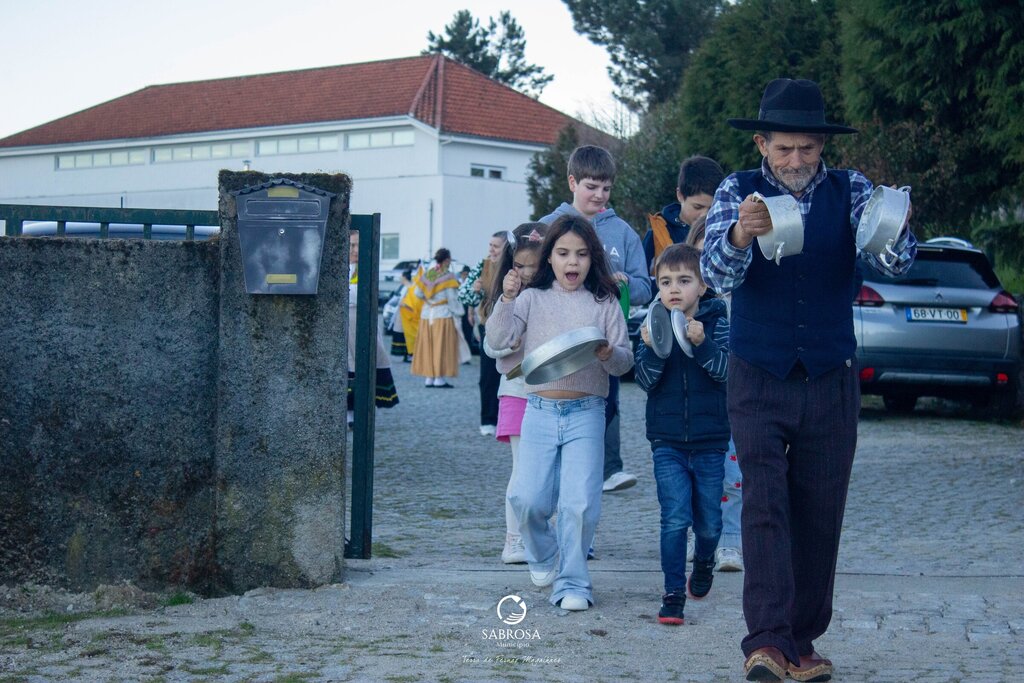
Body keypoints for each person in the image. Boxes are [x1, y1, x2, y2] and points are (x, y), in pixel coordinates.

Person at [701, 78, 916, 682]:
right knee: (764, 504)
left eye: (808, 148)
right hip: (757, 373)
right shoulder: (735, 191)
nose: (796, 160)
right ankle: (767, 641)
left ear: (823, 145)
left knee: (821, 511)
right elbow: (715, 276)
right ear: (762, 145)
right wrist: (741, 234)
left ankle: (802, 640)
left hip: (829, 374)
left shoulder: (853, 190)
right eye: (784, 148)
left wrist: (898, 227)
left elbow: (897, 261)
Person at [487, 215, 633, 611]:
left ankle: (573, 583)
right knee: (525, 497)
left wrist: (608, 353)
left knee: (579, 503)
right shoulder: (531, 298)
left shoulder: (603, 302)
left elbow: (624, 362)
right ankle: (544, 553)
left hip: (588, 411)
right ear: (549, 257)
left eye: (582, 254)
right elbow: (499, 339)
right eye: (564, 253)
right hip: (539, 410)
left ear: (592, 258)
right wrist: (506, 299)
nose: (573, 262)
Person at [539, 145, 652, 494]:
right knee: (555, 405)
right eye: (591, 186)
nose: (600, 195)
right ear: (572, 182)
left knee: (607, 404)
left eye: (606, 188)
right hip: (555, 338)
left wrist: (624, 283)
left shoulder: (623, 232)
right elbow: (533, 278)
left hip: (603, 340)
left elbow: (645, 287)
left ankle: (607, 469)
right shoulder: (547, 226)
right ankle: (554, 471)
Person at [635, 243, 729, 625]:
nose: (674, 288)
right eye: (665, 281)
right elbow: (644, 382)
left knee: (709, 523)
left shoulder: (718, 322)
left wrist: (702, 344)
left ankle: (704, 560)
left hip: (710, 441)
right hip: (667, 442)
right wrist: (653, 349)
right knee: (674, 518)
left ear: (703, 286)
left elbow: (727, 373)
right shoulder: (652, 326)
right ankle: (673, 592)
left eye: (684, 280)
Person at [481, 222, 548, 564]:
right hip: (516, 389)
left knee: (549, 471)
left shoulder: (555, 294)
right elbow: (491, 345)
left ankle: (544, 535)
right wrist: (508, 305)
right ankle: (514, 539)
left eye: (534, 266)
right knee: (522, 469)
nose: (527, 273)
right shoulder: (506, 297)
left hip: (552, 391)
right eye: (520, 265)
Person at [686, 219, 744, 573]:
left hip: (737, 398)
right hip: (698, 402)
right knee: (696, 474)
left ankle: (732, 541)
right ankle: (699, 534)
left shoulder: (744, 294)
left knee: (734, 476)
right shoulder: (684, 302)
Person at [347, 230, 399, 427]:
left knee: (365, 364)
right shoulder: (338, 268)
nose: (355, 250)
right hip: (344, 324)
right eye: (352, 245)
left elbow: (364, 293)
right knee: (346, 367)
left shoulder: (368, 268)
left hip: (362, 322)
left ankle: (362, 412)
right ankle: (348, 414)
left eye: (358, 245)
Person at [459, 232, 508, 435]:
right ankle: (488, 419)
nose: (491, 250)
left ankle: (509, 419)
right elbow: (464, 296)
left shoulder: (515, 266)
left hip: (514, 325)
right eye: (490, 245)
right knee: (488, 374)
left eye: (496, 246)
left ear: (507, 247)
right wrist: (475, 289)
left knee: (513, 374)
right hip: (488, 324)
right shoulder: (482, 265)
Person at [643, 156, 725, 274]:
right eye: (698, 207)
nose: (705, 215)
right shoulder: (656, 234)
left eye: (712, 208)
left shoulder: (726, 231)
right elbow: (642, 279)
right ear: (680, 195)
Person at [410, 248, 464, 388]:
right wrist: (459, 312)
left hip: (427, 315)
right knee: (441, 347)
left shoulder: (430, 273)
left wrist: (429, 300)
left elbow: (417, 293)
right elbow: (452, 298)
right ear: (446, 260)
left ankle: (429, 378)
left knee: (428, 346)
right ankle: (439, 379)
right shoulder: (449, 276)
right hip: (443, 315)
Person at [388, 269, 413, 362]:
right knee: (402, 334)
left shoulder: (409, 287)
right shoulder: (403, 287)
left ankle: (409, 354)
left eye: (401, 276)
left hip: (407, 313)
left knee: (406, 334)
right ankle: (406, 354)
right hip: (401, 313)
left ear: (404, 277)